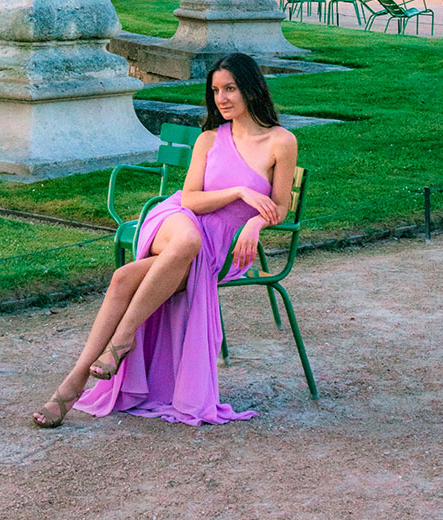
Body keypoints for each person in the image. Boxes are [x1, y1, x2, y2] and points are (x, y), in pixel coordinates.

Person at [32, 52, 298, 428]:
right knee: (187, 241)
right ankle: (121, 342)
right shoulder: (209, 139)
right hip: (179, 219)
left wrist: (255, 224)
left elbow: (281, 205)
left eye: (231, 89)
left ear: (251, 89)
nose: (221, 98)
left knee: (124, 277)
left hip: (217, 248)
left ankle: (72, 383)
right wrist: (239, 191)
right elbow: (190, 199)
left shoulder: (281, 142)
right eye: (216, 90)